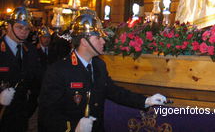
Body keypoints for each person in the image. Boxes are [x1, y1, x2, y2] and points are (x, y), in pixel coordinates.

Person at [39, 11, 167, 132]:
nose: (103, 41)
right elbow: (48, 115)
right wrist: (73, 127)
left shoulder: (99, 65)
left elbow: (114, 91)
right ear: (84, 41)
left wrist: (145, 101)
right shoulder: (59, 71)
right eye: (98, 38)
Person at [0, 7, 42, 132]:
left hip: (22, 113)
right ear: (9, 26)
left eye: (27, 28)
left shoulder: (31, 50)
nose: (24, 31)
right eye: (19, 27)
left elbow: (37, 79)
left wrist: (31, 105)